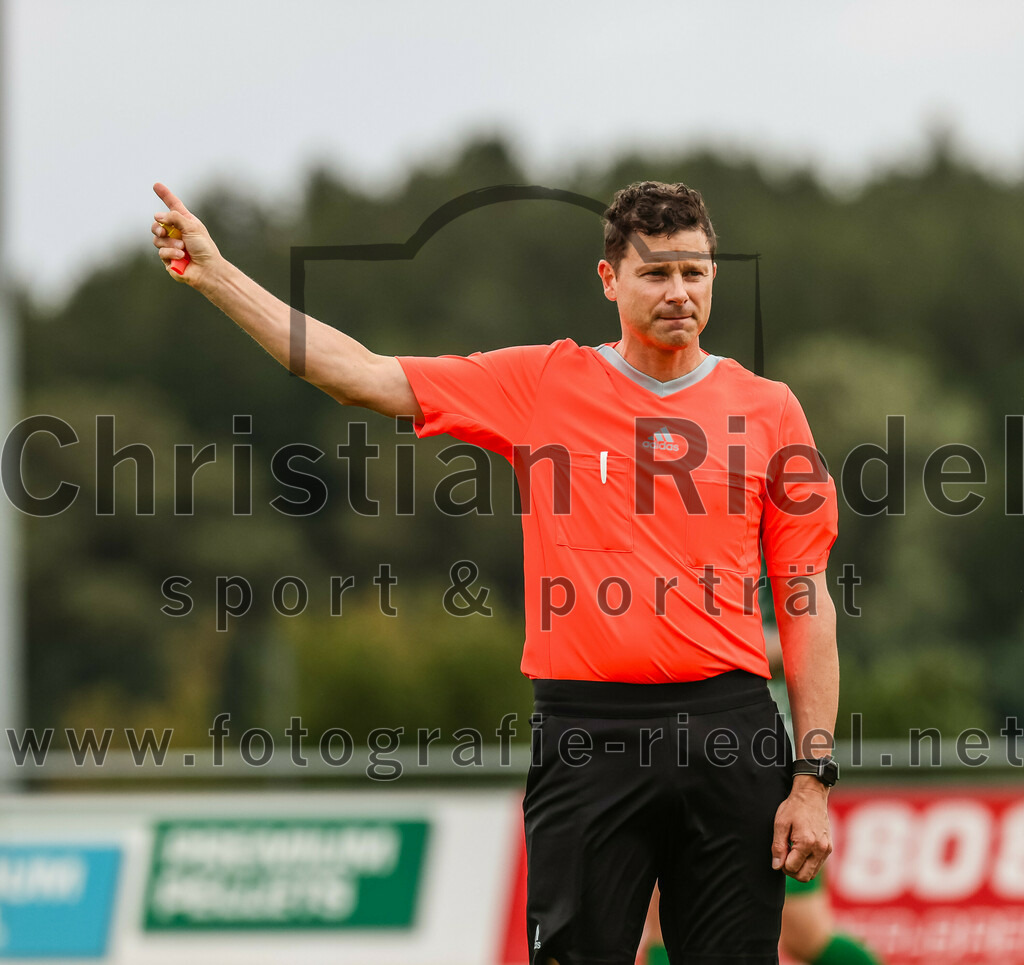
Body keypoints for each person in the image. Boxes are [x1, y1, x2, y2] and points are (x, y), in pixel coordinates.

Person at [151, 179, 840, 965]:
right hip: (589, 735)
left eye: (695, 271)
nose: (679, 291)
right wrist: (218, 275)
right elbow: (358, 374)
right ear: (609, 280)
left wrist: (812, 775)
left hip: (733, 733)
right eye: (655, 273)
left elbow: (805, 598)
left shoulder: (770, 408)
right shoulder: (544, 382)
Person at [639, 629, 882, 965]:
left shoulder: (773, 584)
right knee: (662, 926)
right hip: (677, 753)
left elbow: (808, 638)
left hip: (758, 771)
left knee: (807, 933)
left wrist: (717, 644)